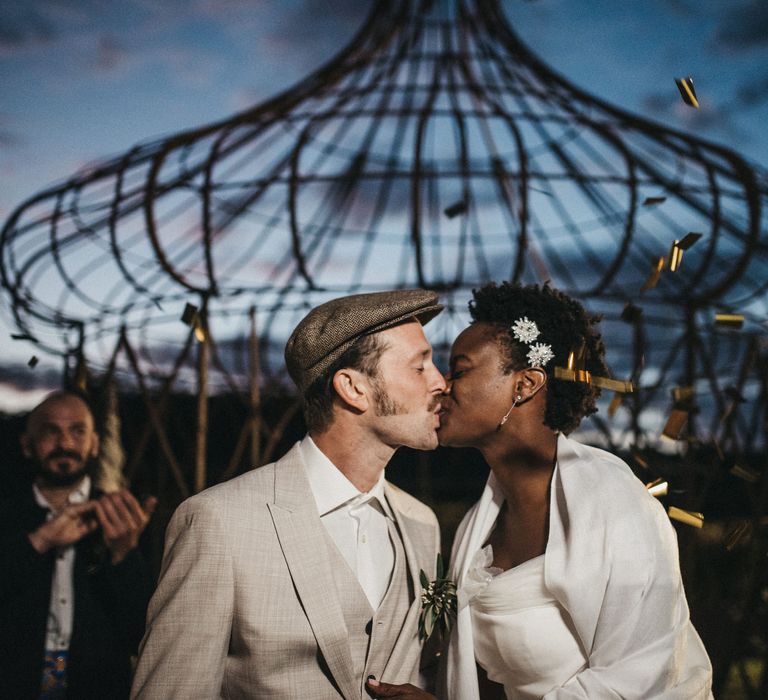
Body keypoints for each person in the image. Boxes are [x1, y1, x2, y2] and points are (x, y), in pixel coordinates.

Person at [367, 282, 713, 700]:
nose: (441, 385)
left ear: (526, 384)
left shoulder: (611, 501)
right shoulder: (476, 529)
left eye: (459, 370)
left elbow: (637, 681)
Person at [131, 289, 446, 699]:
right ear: (353, 388)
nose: (441, 382)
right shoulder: (218, 522)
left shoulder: (422, 524)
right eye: (420, 367)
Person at [0, 390, 156, 700]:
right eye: (50, 431)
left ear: (95, 444)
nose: (65, 443)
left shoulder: (126, 517)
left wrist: (125, 554)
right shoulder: (6, 514)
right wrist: (39, 540)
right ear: (27, 445)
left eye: (77, 431)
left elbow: (143, 631)